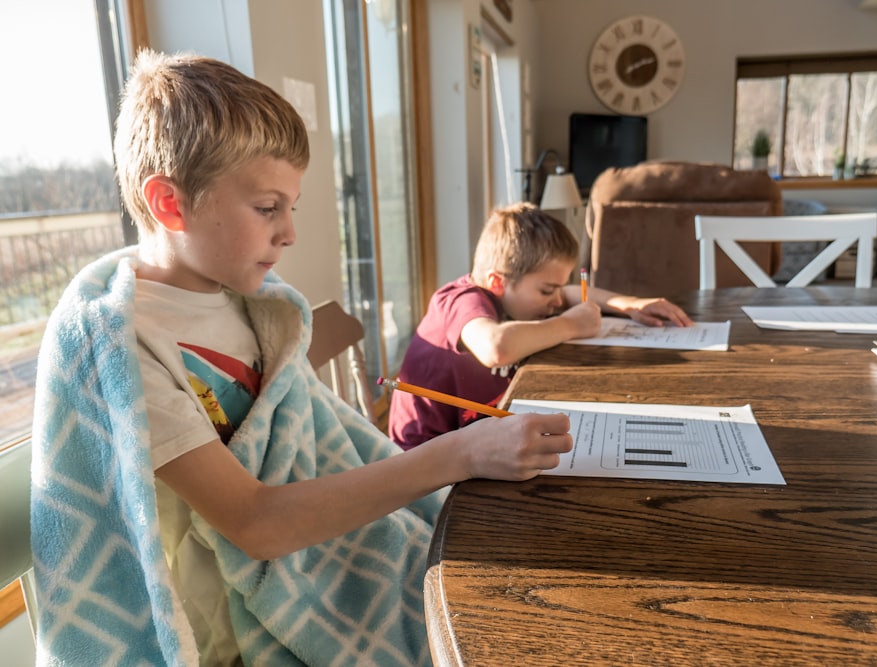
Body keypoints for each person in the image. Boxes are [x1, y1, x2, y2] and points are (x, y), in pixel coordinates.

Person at [29, 50, 571, 667]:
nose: (290, 233)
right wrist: (460, 453)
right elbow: (256, 524)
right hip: (224, 640)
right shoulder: (121, 346)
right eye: (267, 209)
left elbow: (313, 442)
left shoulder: (254, 306)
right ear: (171, 204)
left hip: (309, 569)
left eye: (293, 207)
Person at [388, 202, 693, 450]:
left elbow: (569, 295)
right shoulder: (459, 300)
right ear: (497, 281)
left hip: (476, 436)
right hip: (427, 460)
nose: (555, 299)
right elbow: (496, 347)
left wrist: (627, 304)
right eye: (547, 290)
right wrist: (569, 325)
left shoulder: (511, 295)